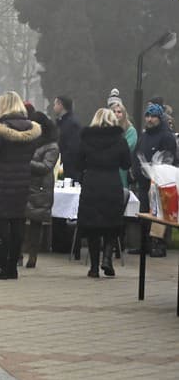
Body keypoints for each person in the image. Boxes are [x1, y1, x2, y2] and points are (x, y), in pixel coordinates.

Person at [0, 92, 41, 280]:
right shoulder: (32, 130)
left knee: (3, 224)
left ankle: (1, 266)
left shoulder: (1, 130)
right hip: (22, 180)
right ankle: (13, 266)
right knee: (18, 224)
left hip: (1, 181)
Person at [75, 108, 131, 277]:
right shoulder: (120, 140)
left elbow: (78, 163)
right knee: (112, 224)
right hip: (112, 185)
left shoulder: (85, 138)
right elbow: (126, 164)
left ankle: (93, 268)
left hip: (91, 184)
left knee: (93, 228)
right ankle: (107, 259)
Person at [131, 103, 177, 257]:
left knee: (160, 214)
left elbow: (169, 159)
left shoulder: (166, 136)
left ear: (159, 118)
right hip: (143, 182)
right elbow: (137, 153)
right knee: (144, 212)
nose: (149, 119)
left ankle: (158, 244)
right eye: (148, 116)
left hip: (160, 183)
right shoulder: (144, 135)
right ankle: (144, 244)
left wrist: (157, 173)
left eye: (153, 117)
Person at [24, 112, 59, 268]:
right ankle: (17, 254)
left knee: (35, 223)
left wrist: (26, 161)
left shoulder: (51, 146)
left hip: (40, 187)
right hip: (26, 184)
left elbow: (46, 167)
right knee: (19, 221)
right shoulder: (29, 141)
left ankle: (33, 256)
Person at [108, 101, 136, 189]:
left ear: (123, 114)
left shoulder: (130, 130)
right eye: (113, 111)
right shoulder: (106, 128)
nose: (116, 114)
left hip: (122, 168)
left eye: (119, 112)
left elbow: (127, 148)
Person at [54, 95, 82, 180]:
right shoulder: (63, 122)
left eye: (55, 104)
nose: (53, 107)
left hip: (69, 169)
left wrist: (62, 162)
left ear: (60, 105)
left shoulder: (71, 124)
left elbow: (72, 147)